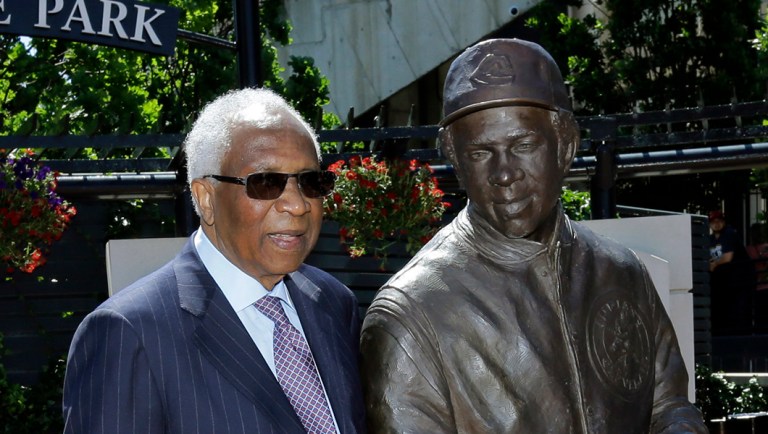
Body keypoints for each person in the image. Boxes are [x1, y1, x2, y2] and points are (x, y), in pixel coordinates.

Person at [360, 39, 707, 433]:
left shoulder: (624, 273)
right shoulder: (411, 316)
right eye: (479, 153)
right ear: (455, 161)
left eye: (523, 145)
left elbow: (670, 407)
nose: (504, 173)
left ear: (565, 146)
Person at [62, 88, 367, 433]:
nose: (297, 205)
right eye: (266, 182)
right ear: (205, 199)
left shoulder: (333, 302)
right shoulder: (130, 333)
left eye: (311, 182)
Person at [709, 210, 756, 334]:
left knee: (740, 312)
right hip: (725, 283)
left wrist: (714, 264)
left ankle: (742, 337)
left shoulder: (729, 234)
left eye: (719, 221)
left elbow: (728, 257)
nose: (716, 224)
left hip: (739, 280)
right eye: (713, 222)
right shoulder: (711, 239)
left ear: (723, 222)